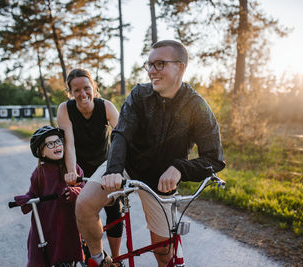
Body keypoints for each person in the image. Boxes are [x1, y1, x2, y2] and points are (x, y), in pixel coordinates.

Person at [75, 40, 226, 267]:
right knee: (84, 204)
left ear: (180, 67)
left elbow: (214, 158)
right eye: (149, 65)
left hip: (162, 178)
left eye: (159, 64)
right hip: (125, 165)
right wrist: (114, 170)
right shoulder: (139, 94)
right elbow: (121, 134)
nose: (151, 71)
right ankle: (97, 259)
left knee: (164, 251)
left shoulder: (197, 106)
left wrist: (180, 168)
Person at [56, 68, 123, 266]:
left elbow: (121, 137)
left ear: (94, 87)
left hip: (105, 165)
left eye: (86, 88)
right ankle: (94, 258)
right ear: (69, 92)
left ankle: (116, 259)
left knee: (114, 210)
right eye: (76, 90)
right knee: (82, 210)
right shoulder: (65, 109)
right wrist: (71, 172)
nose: (82, 94)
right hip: (79, 168)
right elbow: (69, 143)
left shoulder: (106, 107)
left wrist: (117, 168)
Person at [14, 126, 85, 267]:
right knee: (41, 255)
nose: (57, 146)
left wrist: (74, 192)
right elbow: (33, 193)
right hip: (46, 223)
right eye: (51, 144)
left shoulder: (72, 168)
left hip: (67, 222)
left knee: (67, 252)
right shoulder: (39, 173)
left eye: (59, 142)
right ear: (42, 152)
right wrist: (26, 200)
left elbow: (83, 189)